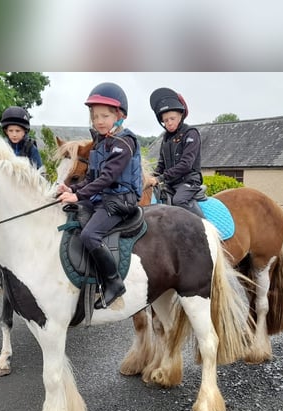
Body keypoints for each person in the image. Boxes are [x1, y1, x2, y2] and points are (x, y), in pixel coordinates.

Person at [56, 82, 142, 309]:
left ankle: (114, 283)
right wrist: (72, 189)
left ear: (119, 115)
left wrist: (79, 196)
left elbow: (107, 178)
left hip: (120, 199)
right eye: (95, 117)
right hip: (102, 198)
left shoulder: (124, 142)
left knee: (90, 235)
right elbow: (91, 178)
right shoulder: (101, 143)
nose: (99, 121)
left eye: (104, 116)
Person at [148, 87, 206, 217]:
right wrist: (149, 177)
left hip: (189, 181)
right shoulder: (166, 138)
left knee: (179, 200)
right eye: (165, 120)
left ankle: (204, 227)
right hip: (171, 183)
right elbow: (161, 165)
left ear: (181, 115)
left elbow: (186, 164)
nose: (169, 123)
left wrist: (161, 178)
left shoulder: (191, 134)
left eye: (172, 118)